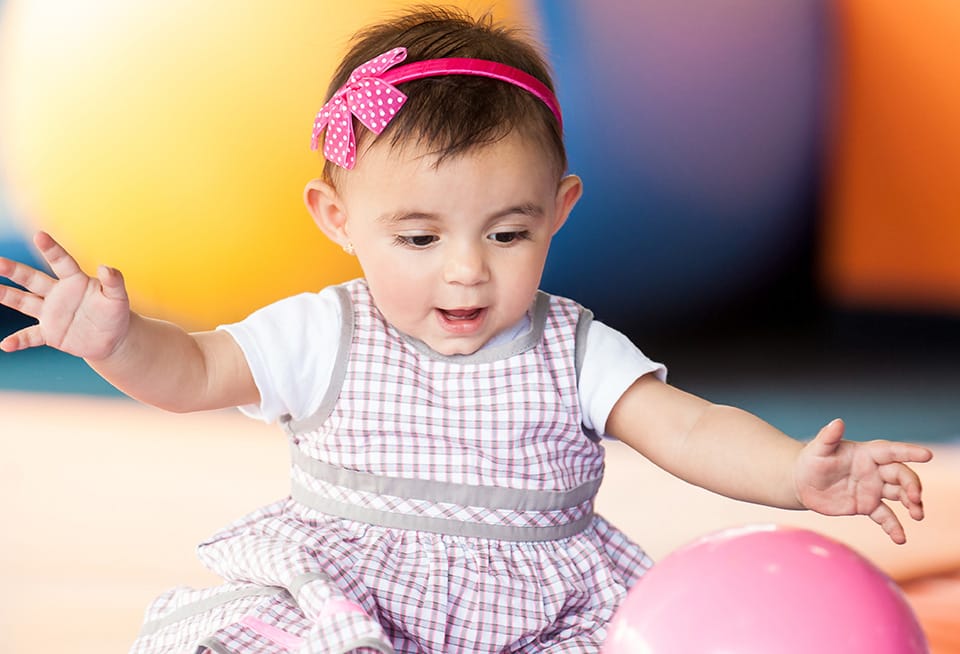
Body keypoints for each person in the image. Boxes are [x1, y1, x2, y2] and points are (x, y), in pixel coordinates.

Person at [0, 6, 932, 653]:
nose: (466, 271)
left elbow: (688, 428)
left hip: (542, 624)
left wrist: (793, 472)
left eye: (507, 233)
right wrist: (117, 342)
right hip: (351, 608)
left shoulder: (573, 348)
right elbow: (196, 372)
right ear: (336, 218)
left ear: (560, 208)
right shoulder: (324, 332)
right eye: (418, 237)